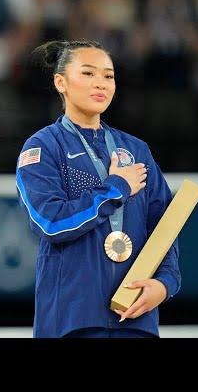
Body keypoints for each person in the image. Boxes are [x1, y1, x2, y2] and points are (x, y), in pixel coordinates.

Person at [16, 39, 180, 338]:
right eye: (88, 73)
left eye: (109, 75)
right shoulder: (43, 147)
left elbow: (164, 227)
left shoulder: (136, 150)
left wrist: (165, 283)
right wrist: (115, 188)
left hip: (135, 318)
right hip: (73, 320)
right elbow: (51, 223)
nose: (101, 84)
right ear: (60, 82)